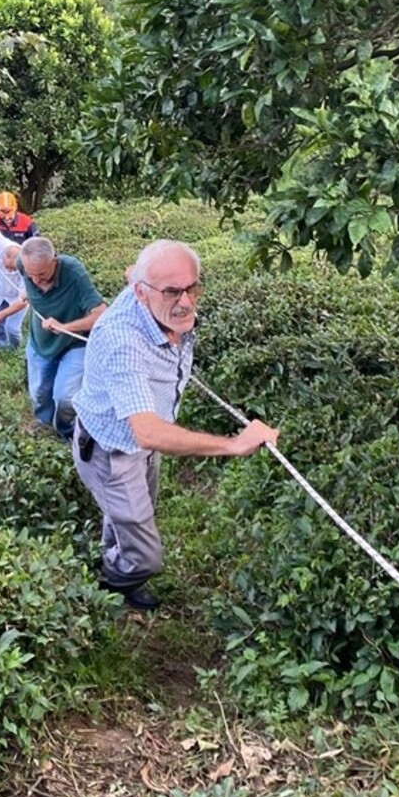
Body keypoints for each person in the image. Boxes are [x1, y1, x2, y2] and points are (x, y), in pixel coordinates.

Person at [71, 239, 278, 611]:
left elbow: (134, 272)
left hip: (143, 445)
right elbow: (147, 431)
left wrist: (154, 279)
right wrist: (233, 444)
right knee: (147, 554)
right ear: (141, 293)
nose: (184, 302)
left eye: (192, 288)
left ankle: (117, 560)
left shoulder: (146, 287)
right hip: (111, 450)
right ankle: (112, 583)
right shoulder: (124, 341)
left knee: (132, 517)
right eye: (171, 291)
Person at [0, 235, 106, 438]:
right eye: (31, 276)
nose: (36, 280)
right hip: (41, 342)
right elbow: (9, 259)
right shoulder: (22, 263)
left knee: (65, 398)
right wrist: (25, 291)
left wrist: (66, 326)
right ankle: (44, 423)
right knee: (38, 393)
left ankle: (65, 431)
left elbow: (101, 313)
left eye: (41, 274)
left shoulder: (73, 272)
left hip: (74, 343)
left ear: (54, 261)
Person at [0, 227, 25, 348]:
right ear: (4, 256)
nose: (10, 270)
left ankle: (15, 351)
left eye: (14, 269)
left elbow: (23, 301)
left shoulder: (27, 265)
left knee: (12, 328)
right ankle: (1, 350)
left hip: (17, 298)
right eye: (8, 267)